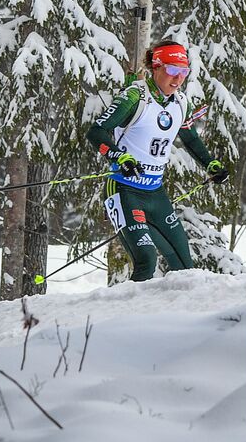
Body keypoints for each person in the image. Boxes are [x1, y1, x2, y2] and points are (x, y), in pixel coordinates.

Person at [86, 39, 230, 282]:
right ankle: (125, 318)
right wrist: (120, 156)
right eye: (172, 70)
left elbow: (191, 140)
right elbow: (96, 132)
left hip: (155, 193)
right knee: (146, 261)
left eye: (184, 72)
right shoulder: (135, 97)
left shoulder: (180, 103)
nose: (178, 78)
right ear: (156, 67)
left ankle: (177, 318)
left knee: (184, 265)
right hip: (123, 190)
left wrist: (211, 165)